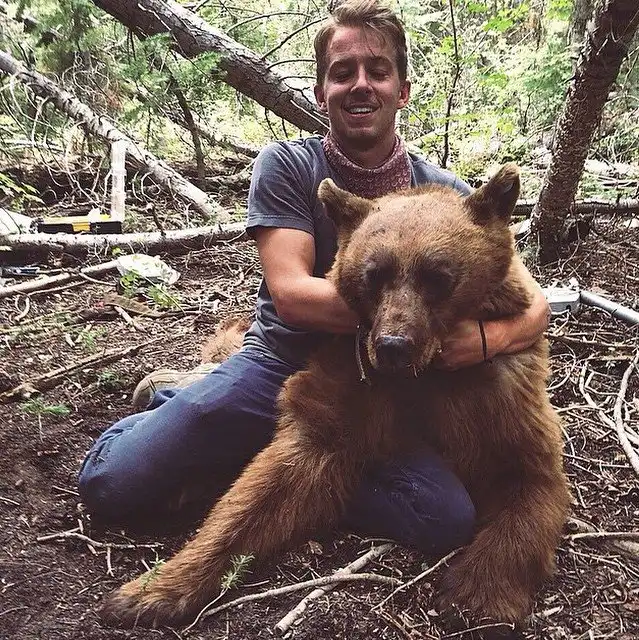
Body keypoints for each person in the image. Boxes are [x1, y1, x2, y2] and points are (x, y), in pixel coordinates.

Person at [78, 0, 550, 556]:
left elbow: (532, 305)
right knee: (113, 485)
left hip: (371, 387)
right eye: (342, 72)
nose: (361, 84)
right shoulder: (290, 166)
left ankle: (255, 464)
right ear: (323, 91)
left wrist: (486, 338)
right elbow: (293, 296)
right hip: (279, 360)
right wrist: (412, 322)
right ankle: (181, 398)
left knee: (441, 518)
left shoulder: (444, 194)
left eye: (378, 70)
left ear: (401, 90)